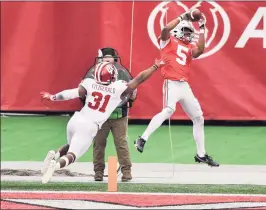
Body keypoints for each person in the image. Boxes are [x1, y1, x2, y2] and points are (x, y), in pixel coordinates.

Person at [40, 57, 169, 184]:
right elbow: (140, 78)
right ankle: (55, 166)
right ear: (111, 76)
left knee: (69, 145)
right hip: (90, 125)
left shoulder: (89, 83)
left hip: (76, 119)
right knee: (73, 155)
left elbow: (71, 93)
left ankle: (54, 154)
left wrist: (52, 97)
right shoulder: (118, 88)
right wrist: (155, 66)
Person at [134, 10, 219, 167]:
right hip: (171, 83)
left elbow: (199, 51)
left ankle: (201, 154)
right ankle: (142, 138)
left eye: (189, 32)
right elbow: (165, 29)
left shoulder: (189, 47)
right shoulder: (168, 41)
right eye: (185, 31)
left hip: (184, 85)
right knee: (168, 110)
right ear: (178, 30)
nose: (187, 34)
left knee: (199, 118)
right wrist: (182, 17)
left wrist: (201, 27)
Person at [82, 47, 136, 182]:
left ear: (114, 59)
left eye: (109, 57)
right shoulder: (92, 73)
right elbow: (83, 92)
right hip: (100, 117)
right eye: (104, 57)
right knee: (98, 144)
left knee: (121, 144)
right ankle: (98, 172)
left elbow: (133, 90)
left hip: (119, 116)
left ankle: (126, 171)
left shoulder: (123, 72)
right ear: (99, 59)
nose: (107, 59)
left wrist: (131, 97)